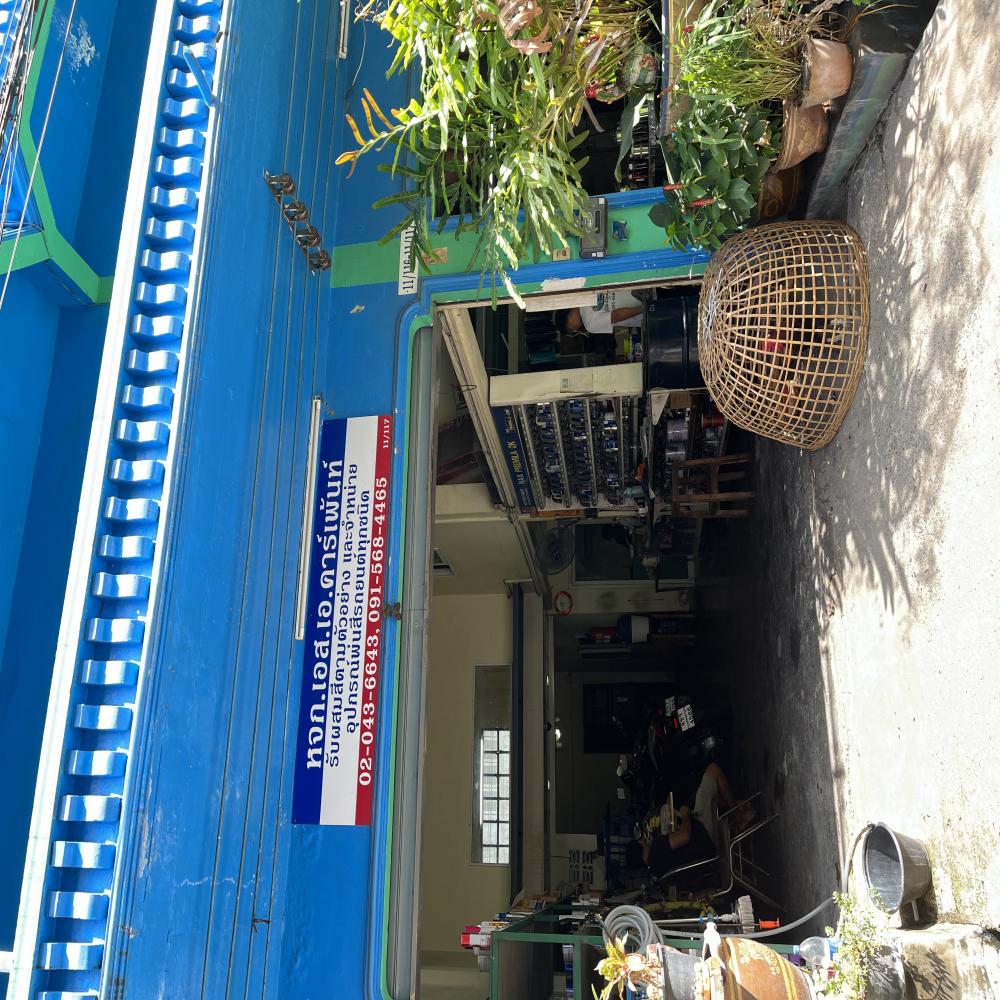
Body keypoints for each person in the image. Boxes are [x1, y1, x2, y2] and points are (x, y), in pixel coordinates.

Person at [625, 762, 754, 879]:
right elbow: (685, 836)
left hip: (705, 858)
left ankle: (736, 807)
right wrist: (685, 814)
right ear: (639, 845)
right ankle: (738, 815)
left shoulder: (656, 872)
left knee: (705, 798)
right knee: (713, 770)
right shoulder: (655, 850)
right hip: (704, 835)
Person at [555, 289, 645, 338]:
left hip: (642, 309)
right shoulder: (584, 292)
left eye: (570, 328)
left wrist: (641, 309)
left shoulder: (589, 324)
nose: (574, 330)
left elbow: (615, 316)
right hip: (639, 288)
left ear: (568, 319)